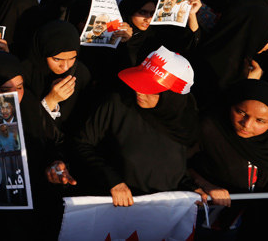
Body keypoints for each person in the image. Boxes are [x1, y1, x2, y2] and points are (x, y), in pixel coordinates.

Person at [73, 47, 208, 206]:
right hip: (112, 208)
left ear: (171, 97)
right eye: (140, 82)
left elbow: (172, 169)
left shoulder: (183, 123)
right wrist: (113, 182)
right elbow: (80, 142)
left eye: (151, 90)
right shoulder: (117, 103)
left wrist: (191, 188)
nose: (139, 91)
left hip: (159, 215)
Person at [188, 79, 268, 238]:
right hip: (203, 219)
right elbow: (178, 165)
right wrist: (204, 184)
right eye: (240, 112)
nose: (246, 124)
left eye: (260, 121)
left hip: (244, 219)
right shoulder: (208, 128)